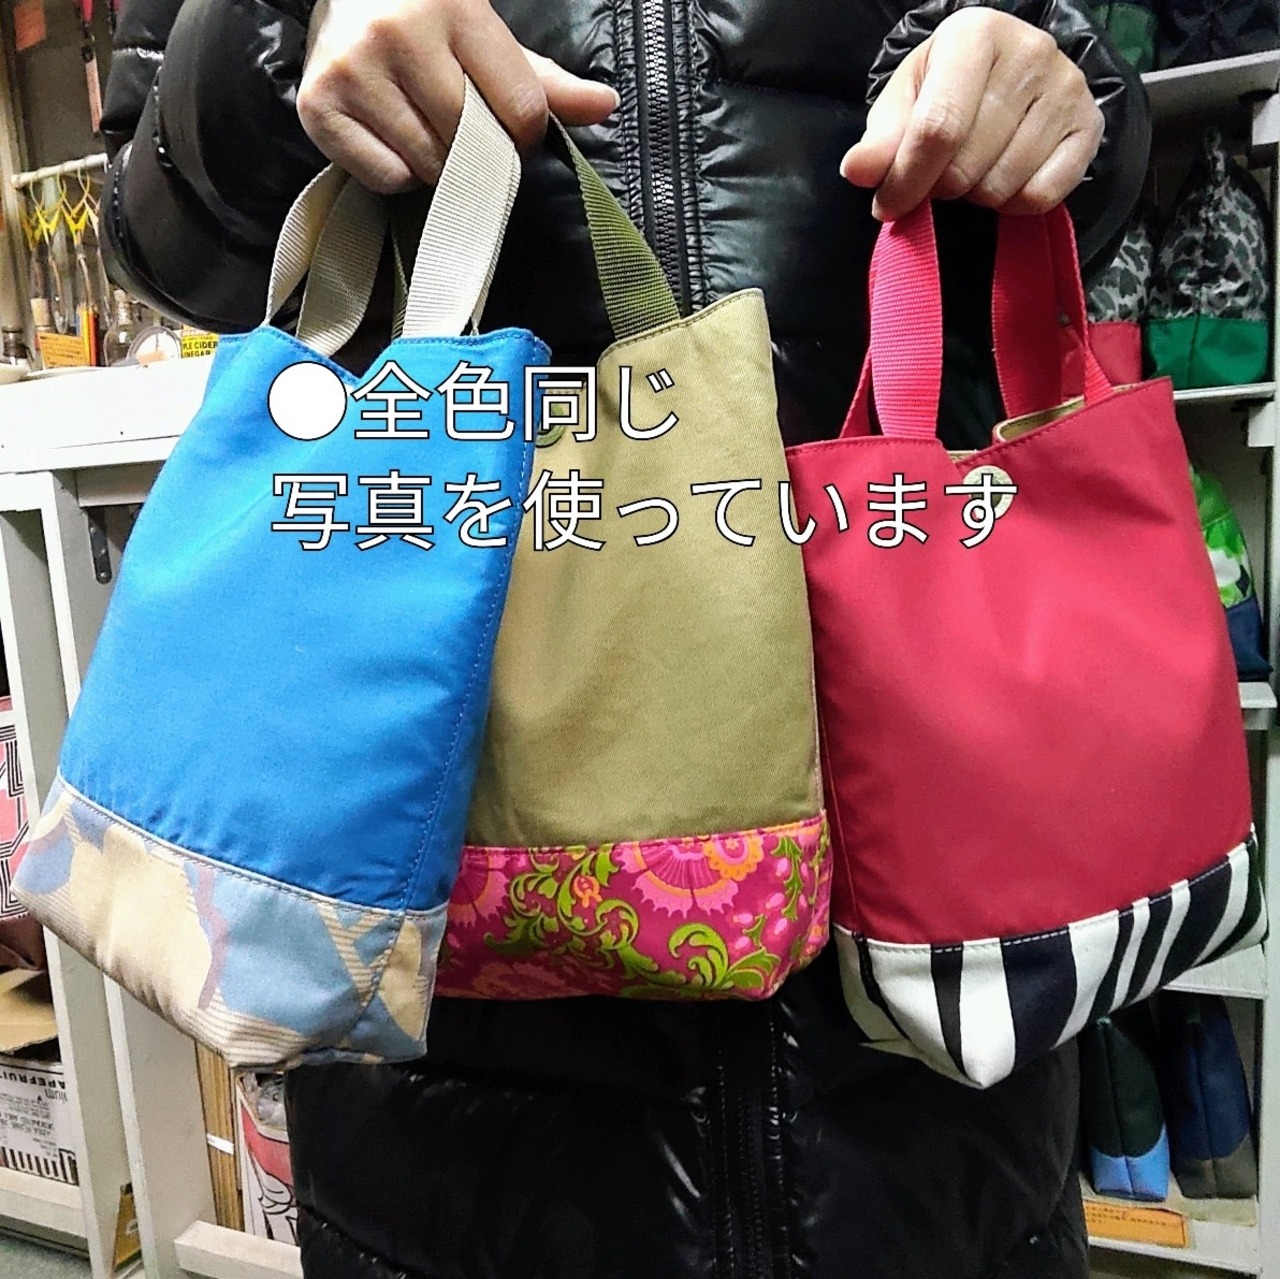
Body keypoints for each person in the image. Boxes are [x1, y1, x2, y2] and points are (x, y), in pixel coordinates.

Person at [98, 2, 1150, 1275]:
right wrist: (284, 36)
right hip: (452, 1077)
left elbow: (1097, 176)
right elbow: (158, 240)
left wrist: (1061, 96)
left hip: (933, 970)